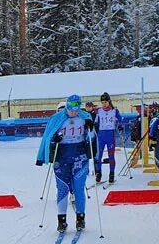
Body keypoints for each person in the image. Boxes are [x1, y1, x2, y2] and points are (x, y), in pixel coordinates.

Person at [36, 95, 94, 233]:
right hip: (61, 158)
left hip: (80, 157)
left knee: (79, 188)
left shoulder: (85, 117)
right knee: (63, 188)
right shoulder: (57, 118)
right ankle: (61, 221)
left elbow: (91, 138)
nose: (73, 113)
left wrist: (91, 129)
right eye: (70, 110)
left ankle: (80, 219)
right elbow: (48, 137)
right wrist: (54, 139)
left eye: (75, 110)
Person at [94, 93, 121, 184]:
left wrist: (120, 125)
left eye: (105, 102)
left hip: (110, 134)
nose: (104, 104)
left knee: (111, 155)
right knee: (98, 156)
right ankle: (98, 173)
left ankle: (112, 174)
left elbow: (120, 119)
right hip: (101, 135)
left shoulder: (114, 110)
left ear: (109, 101)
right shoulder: (99, 111)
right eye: (102, 102)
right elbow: (96, 122)